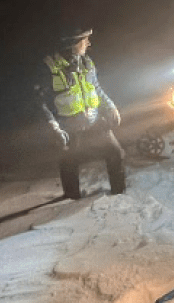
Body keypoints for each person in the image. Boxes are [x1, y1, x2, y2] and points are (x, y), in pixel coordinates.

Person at [36, 28, 125, 199]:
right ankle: (71, 202)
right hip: (68, 127)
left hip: (94, 121)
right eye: (85, 40)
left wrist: (111, 107)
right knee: (69, 163)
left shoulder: (86, 62)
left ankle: (119, 194)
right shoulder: (50, 68)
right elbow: (41, 103)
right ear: (73, 43)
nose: (88, 44)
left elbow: (96, 88)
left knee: (115, 153)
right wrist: (54, 127)